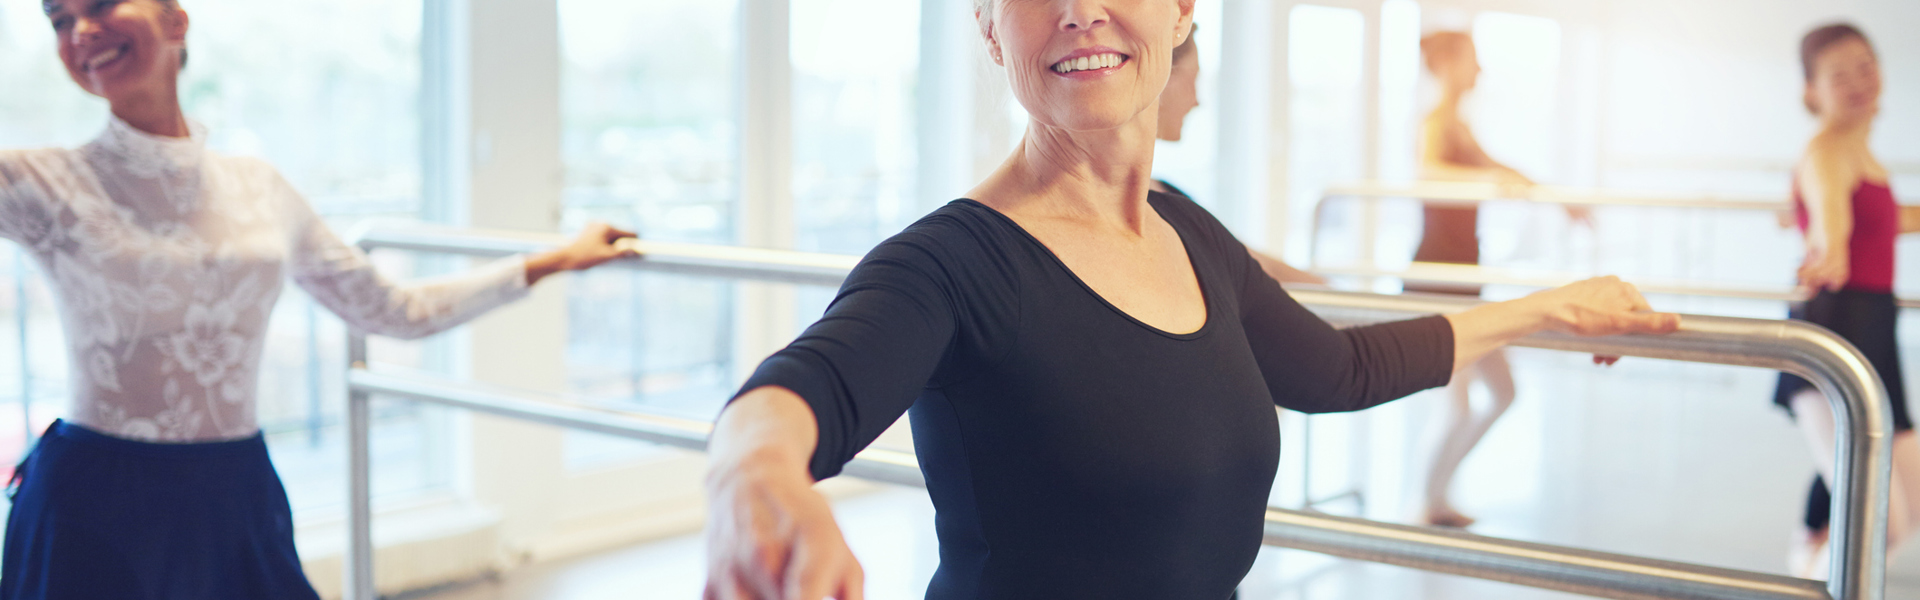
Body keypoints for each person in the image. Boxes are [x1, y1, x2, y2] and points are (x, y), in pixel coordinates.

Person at [699, 1, 1677, 598]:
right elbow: (805, 388)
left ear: (1179, 9)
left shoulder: (1188, 231)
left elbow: (1338, 367)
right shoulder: (948, 265)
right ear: (992, 32)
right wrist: (757, 479)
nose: (1079, 9)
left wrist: (1543, 310)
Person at [0, 1, 636, 597]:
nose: (80, 30)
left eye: (102, 3)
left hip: (234, 492)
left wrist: (555, 259)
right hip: (92, 502)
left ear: (174, 20)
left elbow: (392, 309)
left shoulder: (259, 186)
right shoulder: (39, 181)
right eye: (58, 17)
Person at [1410, 31, 1588, 529]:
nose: (1479, 72)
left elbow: (1502, 169)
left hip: (1468, 280)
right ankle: (1427, 504)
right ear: (1446, 64)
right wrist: (1487, 182)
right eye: (1471, 61)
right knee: (1458, 404)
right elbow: (1426, 171)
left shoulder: (1460, 127)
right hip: (1437, 281)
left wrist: (1560, 200)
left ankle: (1436, 497)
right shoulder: (1435, 121)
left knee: (1504, 392)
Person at [1775, 23, 1920, 579]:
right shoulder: (1827, 150)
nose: (1859, 82)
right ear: (1812, 91)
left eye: (1866, 66)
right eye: (1839, 74)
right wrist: (1827, 247)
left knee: (1903, 502)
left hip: (1874, 333)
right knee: (1882, 521)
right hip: (1834, 334)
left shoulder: (1862, 151)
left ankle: (1810, 548)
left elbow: (1878, 226)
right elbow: (1831, 217)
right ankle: (1808, 568)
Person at [1151, 25, 1324, 286]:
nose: (1197, 100)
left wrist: (1327, 290)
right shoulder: (1149, 203)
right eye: (1193, 80)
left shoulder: (1169, 195)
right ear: (1163, 80)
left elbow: (1242, 259)